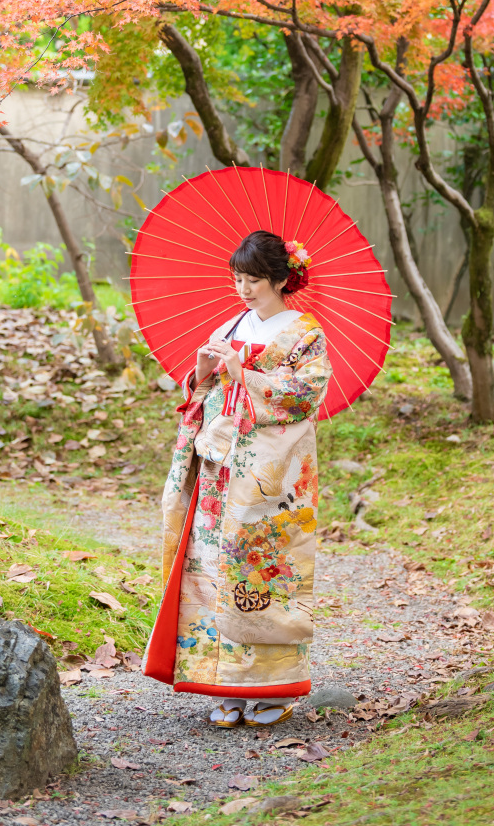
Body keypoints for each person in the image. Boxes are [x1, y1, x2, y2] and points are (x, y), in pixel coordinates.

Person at [143, 230, 332, 729]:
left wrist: (245, 377)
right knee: (211, 569)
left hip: (269, 475)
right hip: (219, 468)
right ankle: (221, 681)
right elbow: (206, 394)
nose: (243, 289)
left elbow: (306, 396)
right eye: (238, 279)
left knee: (261, 565)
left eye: (254, 280)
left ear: (280, 279)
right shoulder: (233, 323)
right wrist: (203, 374)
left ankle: (271, 686)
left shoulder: (304, 333)